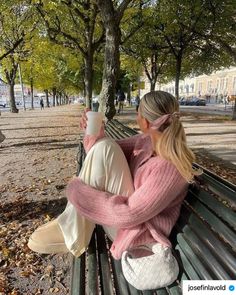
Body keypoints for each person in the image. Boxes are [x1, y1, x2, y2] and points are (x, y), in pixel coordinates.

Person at [28, 91, 198, 289]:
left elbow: (130, 214)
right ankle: (71, 226)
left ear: (143, 120)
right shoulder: (145, 142)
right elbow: (101, 151)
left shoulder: (169, 168)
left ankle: (72, 231)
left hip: (135, 231)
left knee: (106, 147)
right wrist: (94, 132)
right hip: (123, 219)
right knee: (105, 146)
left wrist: (76, 190)